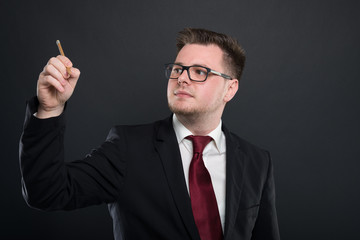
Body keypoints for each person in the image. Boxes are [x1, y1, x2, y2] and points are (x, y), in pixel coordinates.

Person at [20, 28, 280, 240]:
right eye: (178, 69)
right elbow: (46, 192)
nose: (182, 79)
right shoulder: (127, 149)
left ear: (230, 89)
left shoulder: (257, 161)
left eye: (200, 72)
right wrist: (49, 109)